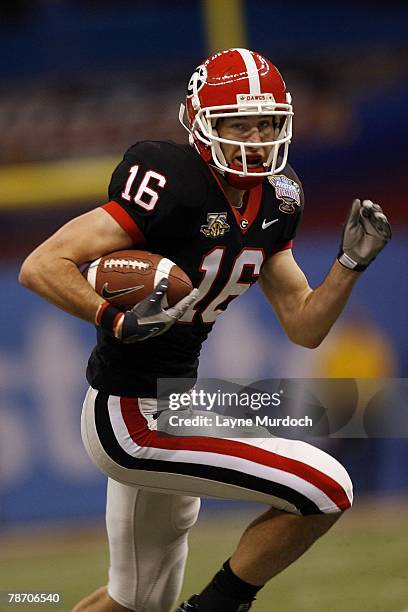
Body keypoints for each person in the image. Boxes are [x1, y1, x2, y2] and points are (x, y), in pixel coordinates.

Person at [19, 48, 391, 612]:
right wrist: (116, 319)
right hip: (129, 418)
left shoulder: (278, 199)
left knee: (137, 603)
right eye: (238, 123)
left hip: (176, 402)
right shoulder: (169, 179)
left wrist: (348, 266)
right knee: (326, 485)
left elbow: (304, 324)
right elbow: (41, 265)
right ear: (200, 123)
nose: (255, 136)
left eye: (266, 122)